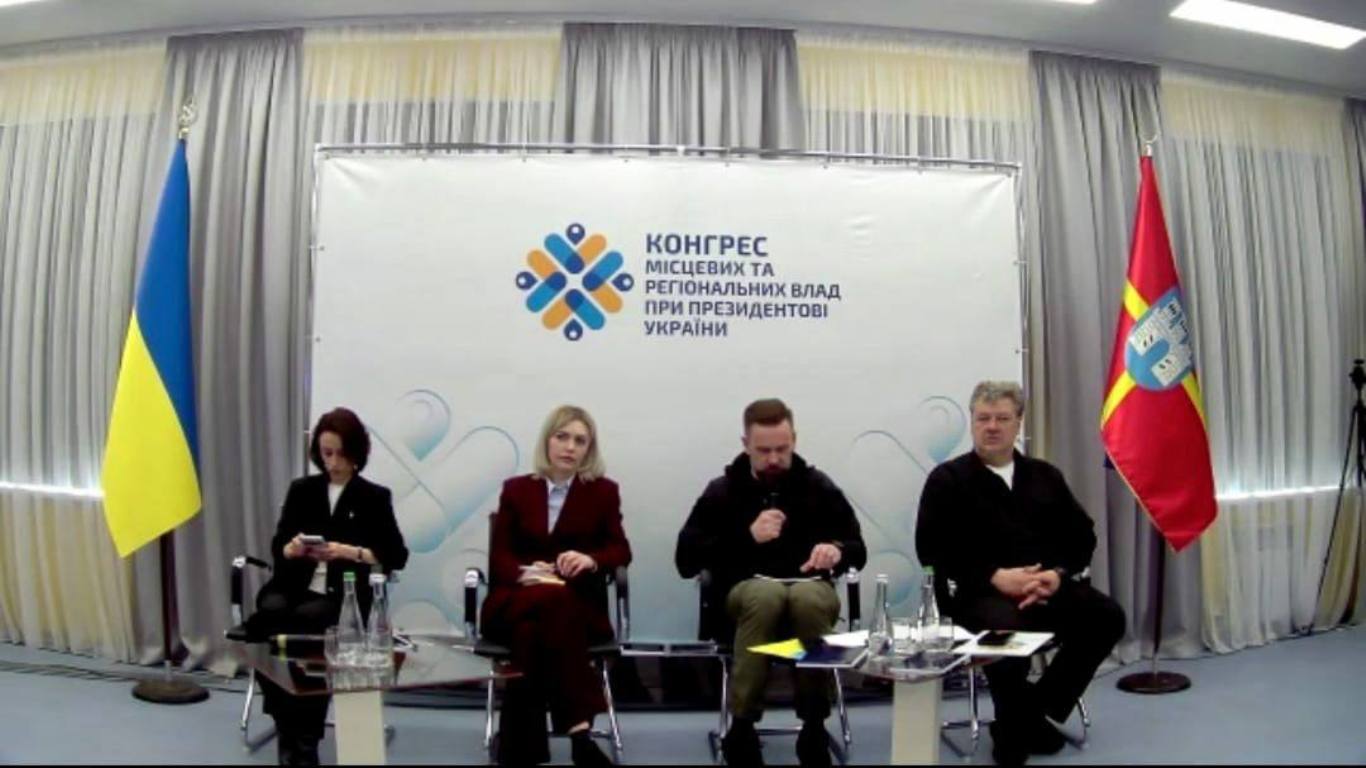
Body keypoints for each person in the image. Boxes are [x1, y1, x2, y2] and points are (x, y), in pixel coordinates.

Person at [915, 381, 1125, 766]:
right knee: (1008, 632)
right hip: (979, 596)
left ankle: (1026, 713)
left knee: (1107, 617)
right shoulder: (948, 480)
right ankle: (1017, 727)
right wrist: (994, 576)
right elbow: (930, 550)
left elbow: (1083, 536)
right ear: (972, 422)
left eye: (1002, 418)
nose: (992, 427)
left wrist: (1057, 575)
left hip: (1045, 588)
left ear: (1018, 422)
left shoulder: (1045, 475)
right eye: (983, 418)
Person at [675, 398, 866, 767]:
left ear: (794, 440)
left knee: (807, 599)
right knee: (766, 595)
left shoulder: (818, 486)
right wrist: (746, 537)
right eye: (764, 451)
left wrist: (836, 550)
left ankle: (814, 725)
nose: (774, 459)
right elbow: (686, 559)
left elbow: (857, 548)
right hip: (746, 594)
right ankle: (742, 727)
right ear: (745, 444)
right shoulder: (722, 491)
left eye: (782, 449)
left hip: (809, 590)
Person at [247, 407, 409, 766]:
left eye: (339, 454)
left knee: (308, 625)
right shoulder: (302, 490)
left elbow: (396, 555)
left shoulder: (373, 497)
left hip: (342, 594)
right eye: (326, 453)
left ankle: (300, 737)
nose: (332, 462)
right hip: (294, 585)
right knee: (265, 616)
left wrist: (348, 552)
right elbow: (278, 545)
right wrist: (291, 548)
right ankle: (291, 725)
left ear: (356, 453)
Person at [480, 405, 632, 767]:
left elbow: (620, 550)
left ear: (589, 449)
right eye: (562, 437)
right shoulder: (516, 490)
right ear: (547, 441)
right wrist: (525, 573)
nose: (570, 447)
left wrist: (590, 559)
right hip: (516, 599)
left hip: (575, 608)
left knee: (531, 633)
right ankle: (580, 735)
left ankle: (520, 749)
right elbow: (499, 556)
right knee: (549, 598)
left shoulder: (603, 492)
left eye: (580, 441)